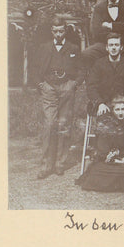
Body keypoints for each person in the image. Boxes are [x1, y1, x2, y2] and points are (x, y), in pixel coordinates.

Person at [34, 17, 82, 179]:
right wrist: (41, 84)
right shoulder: (44, 47)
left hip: (67, 87)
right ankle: (46, 165)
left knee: (64, 124)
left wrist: (74, 84)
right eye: (55, 31)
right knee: (49, 124)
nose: (58, 34)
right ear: (52, 32)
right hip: (49, 87)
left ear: (65, 30)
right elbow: (34, 67)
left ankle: (60, 163)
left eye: (61, 30)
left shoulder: (73, 48)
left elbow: (82, 68)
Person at [76, 95, 124, 193]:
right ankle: (121, 182)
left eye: (123, 109)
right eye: (117, 109)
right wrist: (112, 157)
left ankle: (119, 181)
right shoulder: (107, 126)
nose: (121, 113)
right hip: (114, 161)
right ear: (113, 110)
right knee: (96, 170)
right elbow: (102, 150)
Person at [87, 33, 124, 117]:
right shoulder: (98, 64)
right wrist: (100, 103)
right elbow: (91, 87)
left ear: (121, 47)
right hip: (105, 104)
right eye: (111, 45)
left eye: (116, 45)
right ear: (107, 48)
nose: (113, 48)